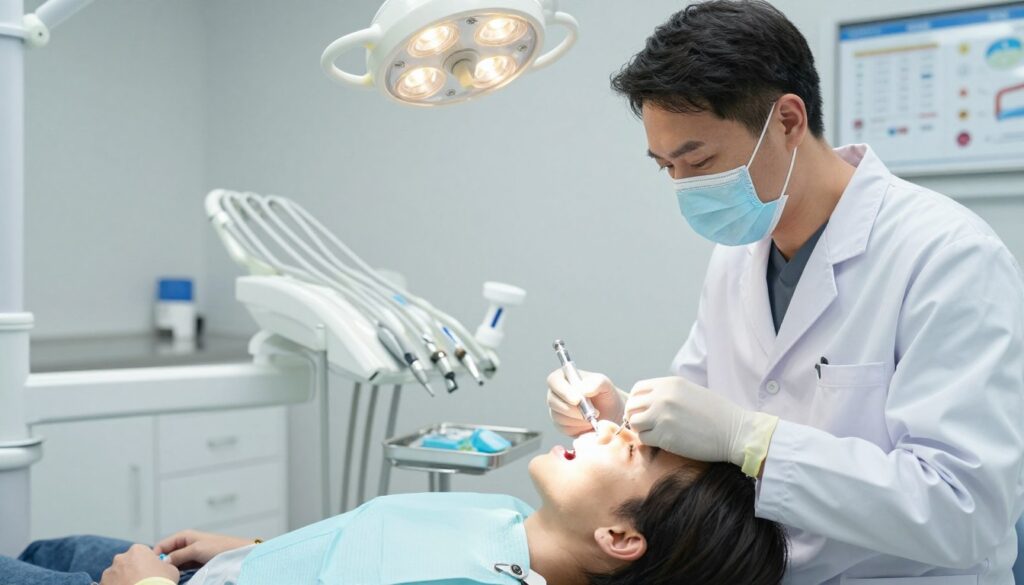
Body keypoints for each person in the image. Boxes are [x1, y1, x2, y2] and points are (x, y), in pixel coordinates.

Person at [546, 1, 1024, 583]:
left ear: (789, 121)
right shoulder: (738, 254)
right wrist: (624, 417)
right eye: (664, 166)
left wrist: (755, 441)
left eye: (698, 159)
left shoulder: (947, 256)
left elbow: (964, 510)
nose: (683, 187)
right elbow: (704, 429)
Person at [0, 422, 788, 585]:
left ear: (620, 536)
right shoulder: (508, 529)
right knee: (50, 547)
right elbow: (371, 558)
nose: (618, 429)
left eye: (643, 453)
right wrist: (255, 546)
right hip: (220, 567)